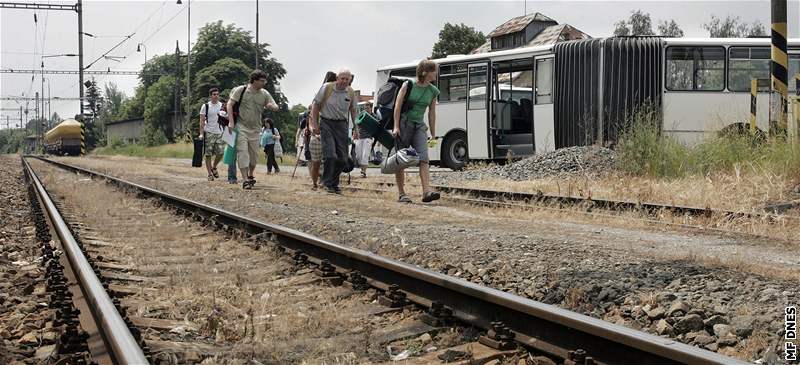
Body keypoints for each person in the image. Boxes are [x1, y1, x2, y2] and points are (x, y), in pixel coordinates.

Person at [392, 59, 440, 203]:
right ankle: (402, 194)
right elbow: (398, 106)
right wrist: (396, 126)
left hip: (419, 125)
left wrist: (433, 133)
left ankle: (426, 192)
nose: (436, 73)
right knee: (401, 159)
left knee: (424, 158)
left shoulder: (433, 91)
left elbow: (432, 113)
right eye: (434, 71)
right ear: (425, 72)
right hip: (404, 124)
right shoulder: (408, 85)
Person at [227, 70, 280, 189]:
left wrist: (273, 107)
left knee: (254, 157)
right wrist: (231, 121)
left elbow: (273, 104)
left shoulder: (264, 93)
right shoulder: (241, 90)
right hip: (241, 126)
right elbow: (230, 104)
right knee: (243, 152)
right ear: (254, 80)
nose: (264, 83)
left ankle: (250, 175)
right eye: (262, 81)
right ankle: (245, 180)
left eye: (265, 80)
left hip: (256, 129)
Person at [310, 69, 358, 194]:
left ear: (350, 80)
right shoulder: (327, 88)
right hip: (326, 122)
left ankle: (334, 183)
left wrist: (356, 128)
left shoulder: (351, 92)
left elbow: (353, 111)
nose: (344, 81)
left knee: (343, 158)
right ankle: (327, 183)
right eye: (342, 78)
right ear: (337, 78)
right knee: (330, 155)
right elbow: (315, 106)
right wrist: (314, 124)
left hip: (342, 124)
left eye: (347, 79)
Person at [199, 88, 225, 181]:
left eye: (217, 94)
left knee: (221, 152)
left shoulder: (222, 105)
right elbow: (201, 121)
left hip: (220, 132)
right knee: (208, 154)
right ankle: (209, 174)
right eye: (214, 94)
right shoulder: (205, 106)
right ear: (210, 96)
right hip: (209, 132)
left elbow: (226, 118)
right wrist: (201, 133)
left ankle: (214, 167)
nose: (216, 96)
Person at [353, 102, 373, 178]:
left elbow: (378, 127)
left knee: (365, 154)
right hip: (359, 137)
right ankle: (362, 170)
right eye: (365, 108)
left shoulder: (374, 116)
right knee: (359, 155)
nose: (366, 109)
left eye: (367, 108)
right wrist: (354, 135)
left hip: (368, 138)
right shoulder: (360, 115)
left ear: (371, 108)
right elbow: (356, 125)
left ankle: (363, 172)